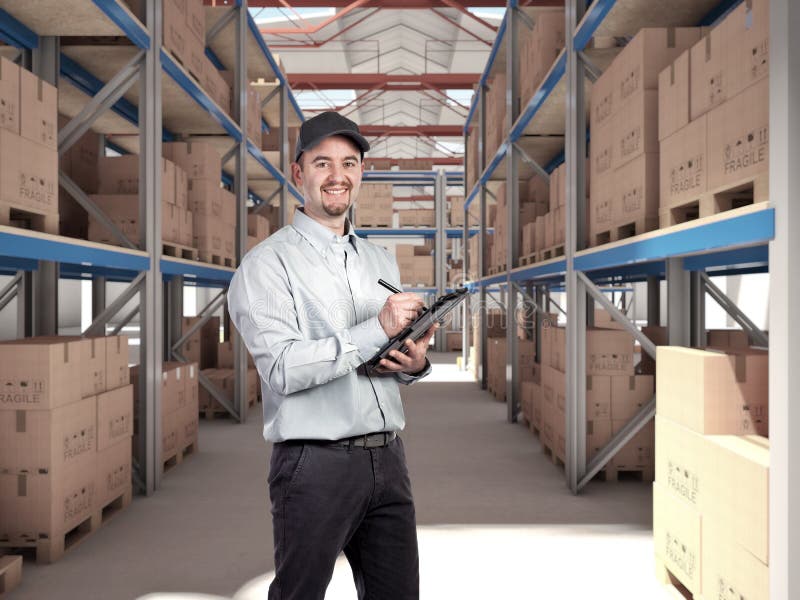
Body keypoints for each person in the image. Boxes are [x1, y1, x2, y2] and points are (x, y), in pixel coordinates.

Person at [227, 110, 436, 600]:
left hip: (388, 460)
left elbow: (387, 352)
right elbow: (281, 369)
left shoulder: (380, 261)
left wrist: (414, 364)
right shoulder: (266, 266)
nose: (337, 176)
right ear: (299, 173)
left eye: (349, 162)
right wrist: (375, 328)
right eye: (322, 163)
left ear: (361, 172)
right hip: (315, 464)